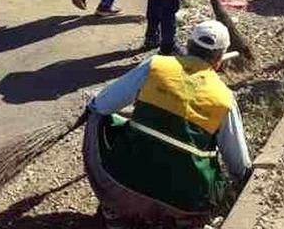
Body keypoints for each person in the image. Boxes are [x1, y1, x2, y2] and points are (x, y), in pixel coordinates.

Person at [83, 19, 252, 229]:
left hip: (123, 185)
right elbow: (239, 165)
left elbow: (102, 104)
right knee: (214, 174)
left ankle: (115, 210)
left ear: (188, 45)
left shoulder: (156, 66)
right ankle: (184, 221)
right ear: (218, 60)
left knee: (97, 116)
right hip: (186, 202)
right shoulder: (224, 98)